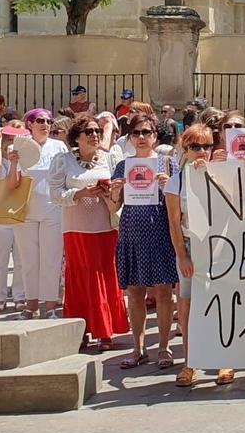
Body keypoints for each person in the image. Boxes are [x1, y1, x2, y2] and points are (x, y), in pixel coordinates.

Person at [105, 112, 179, 371]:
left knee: (163, 292)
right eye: (136, 133)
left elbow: (179, 202)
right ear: (130, 137)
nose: (141, 137)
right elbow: (114, 208)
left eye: (146, 132)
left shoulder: (168, 164)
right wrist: (114, 192)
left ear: (155, 136)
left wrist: (168, 186)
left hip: (159, 230)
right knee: (134, 292)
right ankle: (138, 348)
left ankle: (163, 346)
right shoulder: (122, 166)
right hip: (132, 231)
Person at [49, 114, 129, 350]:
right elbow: (54, 194)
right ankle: (81, 327)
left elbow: (118, 193)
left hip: (104, 227)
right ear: (77, 137)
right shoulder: (63, 161)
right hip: (76, 229)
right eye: (89, 132)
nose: (95, 135)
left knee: (104, 275)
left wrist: (111, 192)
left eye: (96, 131)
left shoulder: (109, 158)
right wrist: (79, 194)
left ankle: (105, 329)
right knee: (80, 277)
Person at [165, 124, 237, 387]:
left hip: (218, 246)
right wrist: (182, 256)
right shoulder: (177, 180)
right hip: (190, 244)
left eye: (207, 146)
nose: (202, 152)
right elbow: (174, 222)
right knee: (186, 306)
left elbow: (235, 206)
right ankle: (189, 362)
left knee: (221, 303)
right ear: (185, 150)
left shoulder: (220, 173)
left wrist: (217, 174)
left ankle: (224, 359)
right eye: (196, 147)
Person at [13, 108, 70, 320]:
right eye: (40, 120)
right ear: (29, 124)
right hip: (25, 210)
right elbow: (11, 181)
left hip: (53, 209)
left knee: (51, 259)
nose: (45, 124)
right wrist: (12, 162)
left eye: (48, 121)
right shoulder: (18, 146)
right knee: (28, 260)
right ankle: (30, 305)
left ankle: (50, 306)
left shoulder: (58, 147)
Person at [0, 121, 27, 312]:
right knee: (0, 260)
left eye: (16, 137)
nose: (11, 140)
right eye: (9, 136)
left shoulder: (24, 162)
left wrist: (16, 159)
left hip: (19, 215)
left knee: (20, 261)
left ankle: (20, 296)